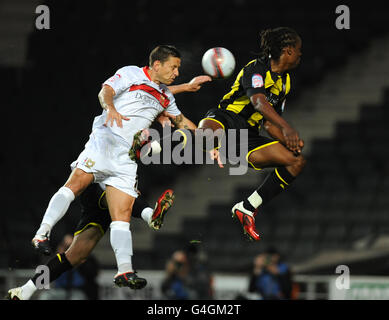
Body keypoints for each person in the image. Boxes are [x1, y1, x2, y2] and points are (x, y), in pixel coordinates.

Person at [31, 44, 209, 288]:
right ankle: (42, 233)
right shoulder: (131, 73)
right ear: (157, 64)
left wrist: (210, 143)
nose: (177, 72)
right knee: (75, 185)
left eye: (178, 68)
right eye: (174, 67)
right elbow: (105, 91)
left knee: (122, 215)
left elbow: (181, 121)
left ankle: (124, 271)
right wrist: (111, 108)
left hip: (127, 158)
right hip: (105, 141)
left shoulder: (165, 95)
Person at [196, 27, 306, 241]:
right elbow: (258, 102)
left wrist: (289, 140)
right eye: (299, 49)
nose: (301, 53)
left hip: (248, 136)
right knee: (205, 135)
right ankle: (154, 146)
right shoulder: (257, 69)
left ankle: (247, 208)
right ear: (288, 50)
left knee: (296, 161)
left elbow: (268, 123)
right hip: (226, 119)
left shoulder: (285, 82)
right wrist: (288, 128)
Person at [7, 183, 174, 300]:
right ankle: (149, 216)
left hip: (100, 206)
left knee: (73, 256)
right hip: (101, 185)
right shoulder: (116, 138)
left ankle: (25, 290)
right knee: (122, 199)